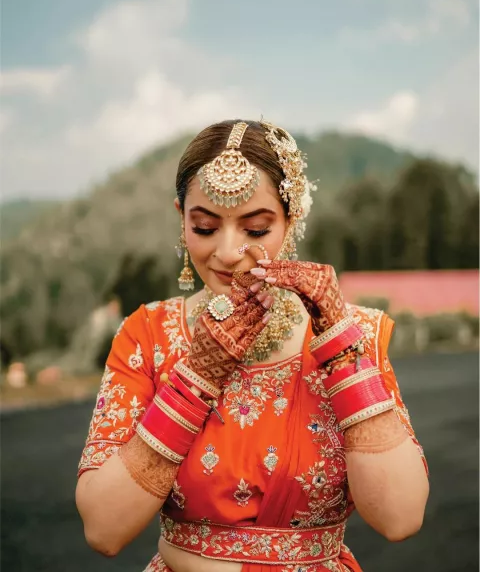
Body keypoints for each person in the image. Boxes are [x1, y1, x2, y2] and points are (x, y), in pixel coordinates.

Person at [76, 119, 429, 572]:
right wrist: (198, 376)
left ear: (290, 221)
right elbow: (104, 529)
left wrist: (341, 351)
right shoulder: (149, 334)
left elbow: (400, 518)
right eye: (204, 228)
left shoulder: (350, 333)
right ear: (181, 217)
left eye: (256, 230)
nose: (227, 251)